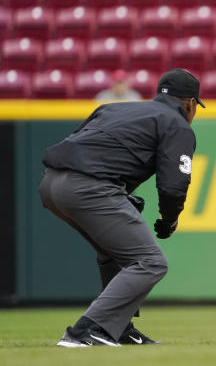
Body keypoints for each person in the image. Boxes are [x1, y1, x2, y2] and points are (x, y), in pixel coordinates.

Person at [39, 69, 205, 347]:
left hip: (51, 183)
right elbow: (173, 185)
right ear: (190, 103)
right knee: (151, 262)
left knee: (113, 254)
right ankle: (87, 330)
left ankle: (120, 329)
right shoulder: (177, 124)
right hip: (88, 187)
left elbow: (84, 145)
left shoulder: (112, 108)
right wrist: (169, 220)